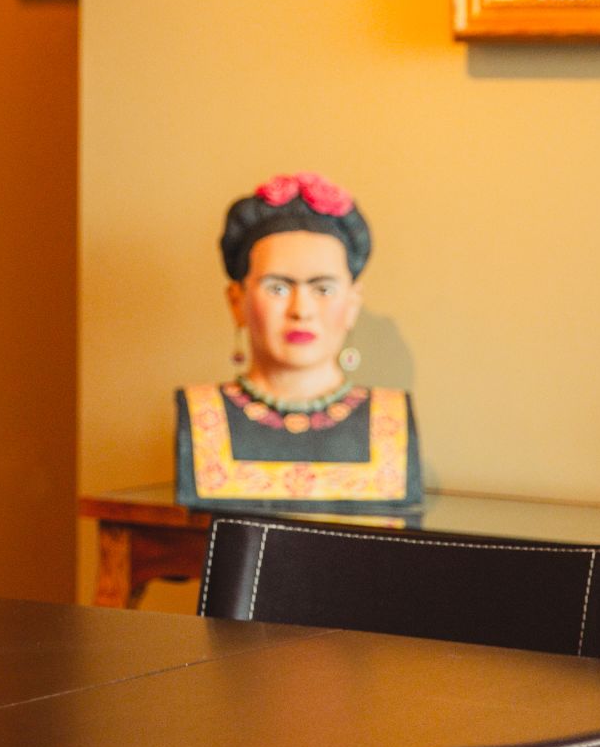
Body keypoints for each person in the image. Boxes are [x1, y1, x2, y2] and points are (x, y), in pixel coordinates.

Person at [174, 173, 421, 513]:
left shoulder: (389, 421)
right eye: (278, 288)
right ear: (237, 301)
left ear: (352, 303)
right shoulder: (203, 417)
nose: (301, 310)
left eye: (323, 289)